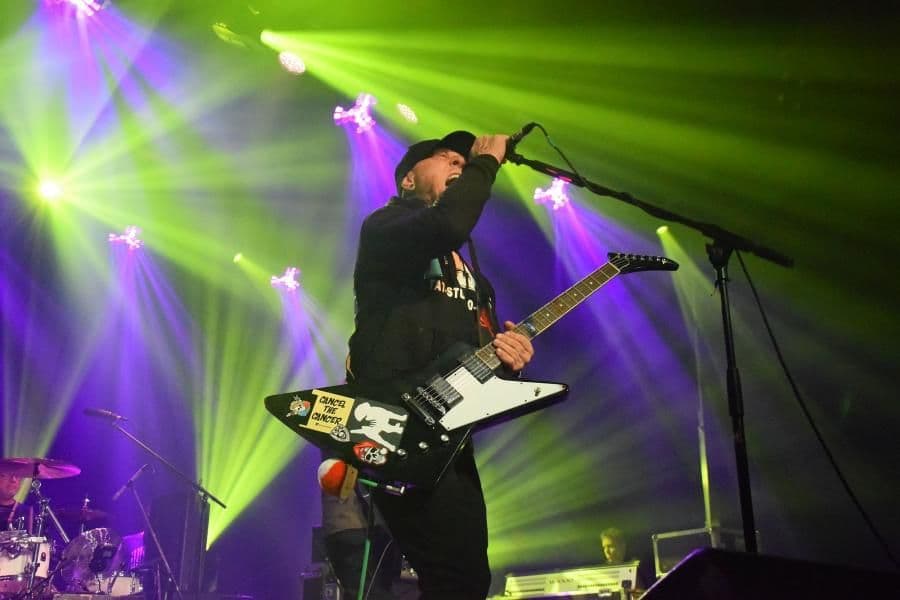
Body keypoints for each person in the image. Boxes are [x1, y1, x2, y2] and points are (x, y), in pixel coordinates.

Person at [346, 130, 534, 599]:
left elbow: (481, 361)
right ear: (408, 179)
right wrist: (485, 163)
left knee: (468, 580)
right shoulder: (386, 227)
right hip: (394, 424)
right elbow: (446, 225)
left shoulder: (476, 279)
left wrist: (510, 360)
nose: (459, 166)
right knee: (450, 576)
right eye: (448, 159)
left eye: (463, 163)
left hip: (449, 440)